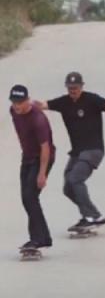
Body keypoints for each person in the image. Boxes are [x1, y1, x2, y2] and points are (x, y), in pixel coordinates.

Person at [35, 72, 105, 231]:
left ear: (82, 86)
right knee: (68, 188)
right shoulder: (63, 102)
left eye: (76, 88)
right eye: (70, 88)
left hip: (93, 149)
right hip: (77, 152)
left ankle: (90, 217)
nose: (73, 91)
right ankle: (94, 215)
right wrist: (27, 103)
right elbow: (42, 105)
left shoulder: (92, 99)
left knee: (75, 179)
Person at [9, 85, 56, 250]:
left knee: (30, 196)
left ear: (27, 100)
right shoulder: (13, 111)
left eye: (20, 102)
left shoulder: (38, 119)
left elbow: (45, 148)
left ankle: (39, 238)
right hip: (27, 157)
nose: (17, 106)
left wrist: (42, 174)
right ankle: (42, 237)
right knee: (27, 198)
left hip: (43, 158)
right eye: (14, 102)